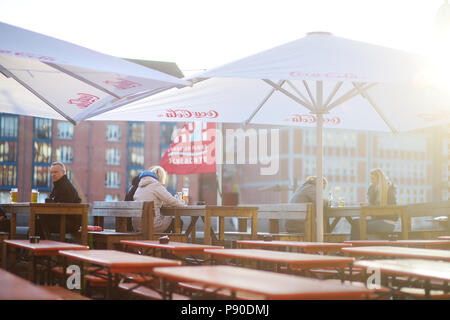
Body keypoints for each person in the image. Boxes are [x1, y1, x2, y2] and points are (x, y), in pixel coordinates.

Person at [132, 165, 185, 233]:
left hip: (138, 226)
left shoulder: (140, 187)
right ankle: (171, 242)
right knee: (178, 222)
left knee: (169, 222)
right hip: (151, 226)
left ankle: (163, 241)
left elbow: (151, 198)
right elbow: (172, 201)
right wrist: (183, 202)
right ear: (161, 177)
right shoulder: (156, 185)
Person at [38, 162, 82, 239]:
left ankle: (43, 248)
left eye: (55, 172)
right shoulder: (58, 185)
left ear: (64, 172)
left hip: (68, 222)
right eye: (51, 172)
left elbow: (63, 207)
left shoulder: (66, 187)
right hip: (62, 219)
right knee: (37, 222)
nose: (53, 175)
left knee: (38, 223)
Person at [350, 168, 397, 240]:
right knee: (355, 222)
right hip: (378, 220)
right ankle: (357, 247)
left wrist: (370, 205)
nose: (371, 181)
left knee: (358, 225)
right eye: (370, 178)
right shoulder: (374, 189)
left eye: (373, 178)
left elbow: (389, 206)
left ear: (379, 179)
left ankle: (357, 248)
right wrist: (370, 195)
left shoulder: (389, 189)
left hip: (388, 222)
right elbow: (373, 204)